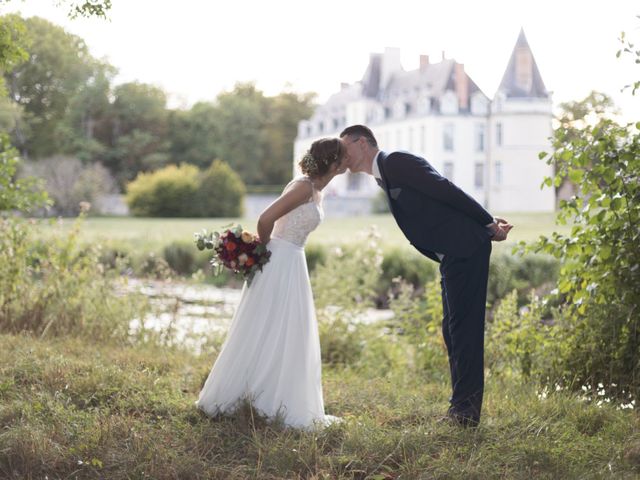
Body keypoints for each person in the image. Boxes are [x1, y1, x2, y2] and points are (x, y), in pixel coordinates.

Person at [340, 124, 512, 426]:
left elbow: (446, 190)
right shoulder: (385, 174)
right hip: (452, 253)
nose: (343, 156)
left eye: (345, 148)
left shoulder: (396, 161)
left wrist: (488, 225)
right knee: (453, 329)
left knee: (464, 331)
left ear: (362, 142)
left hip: (466, 248)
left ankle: (465, 414)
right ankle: (460, 407)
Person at [196, 137, 346, 429]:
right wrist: (259, 252)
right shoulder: (303, 186)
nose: (348, 161)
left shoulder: (315, 190)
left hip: (293, 261)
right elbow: (265, 219)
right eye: (344, 157)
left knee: (288, 330)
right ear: (335, 164)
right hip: (278, 260)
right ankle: (238, 396)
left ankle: (273, 398)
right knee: (266, 325)